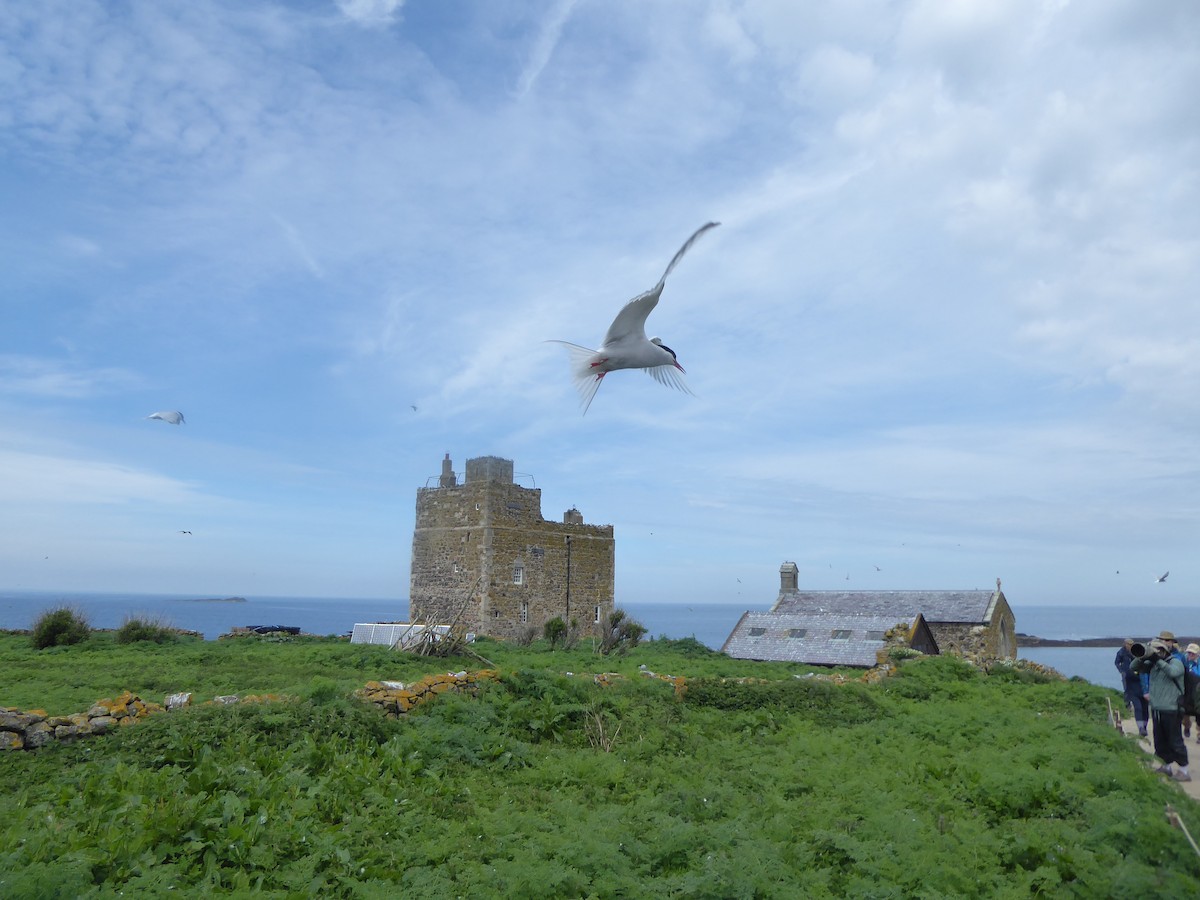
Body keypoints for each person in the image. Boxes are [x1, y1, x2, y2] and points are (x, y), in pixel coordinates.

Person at [1131, 638, 1190, 781]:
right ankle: (1166, 766)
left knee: (1175, 740)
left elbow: (1173, 673)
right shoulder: (1153, 664)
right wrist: (1143, 656)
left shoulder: (1175, 661)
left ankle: (1184, 771)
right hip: (1157, 708)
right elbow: (1133, 667)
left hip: (1172, 708)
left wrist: (1156, 659)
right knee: (1160, 741)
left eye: (1157, 650)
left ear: (1163, 651)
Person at [1115, 638, 1149, 736]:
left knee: (1145, 708)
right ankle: (1140, 727)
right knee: (1137, 707)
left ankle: (1144, 726)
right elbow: (1117, 662)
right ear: (1125, 644)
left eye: (1131, 644)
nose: (1130, 646)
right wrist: (1122, 671)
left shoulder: (1137, 653)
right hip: (1129, 679)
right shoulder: (1121, 652)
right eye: (1128, 644)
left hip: (1142, 684)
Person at [1185, 643, 1200, 744]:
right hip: (1187, 693)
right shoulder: (1184, 663)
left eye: (1192, 653)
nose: (1190, 655)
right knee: (1185, 716)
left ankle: (1199, 736)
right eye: (1189, 653)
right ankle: (1187, 726)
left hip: (1198, 693)